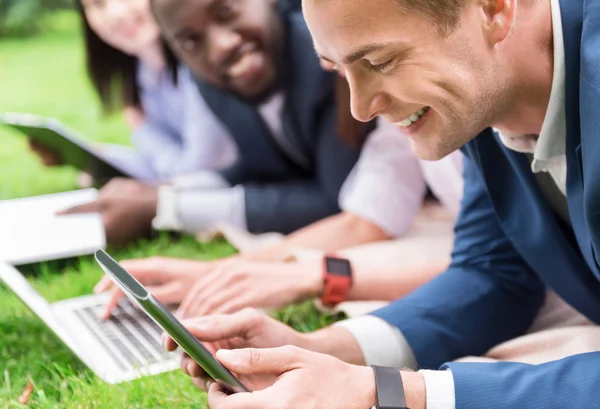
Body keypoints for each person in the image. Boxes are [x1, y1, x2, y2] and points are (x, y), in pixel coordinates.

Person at [155, 0, 600, 408]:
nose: (360, 109)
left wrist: (391, 392)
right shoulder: (480, 88)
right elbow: (496, 273)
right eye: (338, 68)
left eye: (380, 62)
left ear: (493, 9)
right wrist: (322, 349)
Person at [29, 0, 239, 245]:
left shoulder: (200, 65)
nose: (116, 13)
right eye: (96, 5)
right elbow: (165, 167)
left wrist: (141, 129)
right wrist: (98, 158)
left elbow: (196, 172)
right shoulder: (144, 73)